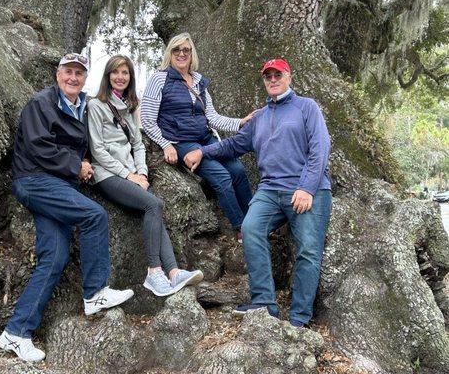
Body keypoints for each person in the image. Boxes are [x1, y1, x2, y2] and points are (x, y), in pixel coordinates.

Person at [0, 53, 134, 362]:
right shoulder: (41, 103)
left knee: (54, 257)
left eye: (79, 73)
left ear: (85, 78)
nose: (73, 78)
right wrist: (77, 165)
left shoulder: (85, 105)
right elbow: (39, 146)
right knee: (93, 215)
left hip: (58, 186)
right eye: (68, 72)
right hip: (35, 180)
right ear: (58, 75)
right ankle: (95, 293)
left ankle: (15, 333)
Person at [184, 58, 332, 328]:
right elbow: (234, 145)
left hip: (307, 190)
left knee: (309, 251)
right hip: (270, 190)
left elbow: (320, 149)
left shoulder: (306, 107)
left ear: (289, 77)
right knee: (250, 228)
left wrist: (307, 188)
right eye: (268, 77)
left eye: (278, 75)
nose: (273, 80)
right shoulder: (260, 117)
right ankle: (265, 303)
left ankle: (299, 319)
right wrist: (202, 151)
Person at [87, 55, 203, 296]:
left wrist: (142, 172)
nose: (120, 77)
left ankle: (173, 273)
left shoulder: (129, 108)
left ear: (130, 78)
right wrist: (129, 175)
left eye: (125, 73)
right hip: (107, 175)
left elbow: (138, 145)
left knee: (153, 208)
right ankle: (153, 271)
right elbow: (97, 150)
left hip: (131, 173)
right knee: (154, 205)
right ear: (107, 76)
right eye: (115, 72)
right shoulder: (96, 106)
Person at [141, 33, 257, 240]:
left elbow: (211, 117)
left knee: (238, 170)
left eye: (186, 49)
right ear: (170, 53)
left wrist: (240, 122)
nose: (182, 53)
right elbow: (148, 119)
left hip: (205, 139)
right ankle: (242, 228)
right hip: (181, 142)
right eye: (177, 49)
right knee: (221, 177)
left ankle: (256, 220)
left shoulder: (198, 81)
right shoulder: (159, 78)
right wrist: (166, 145)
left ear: (192, 53)